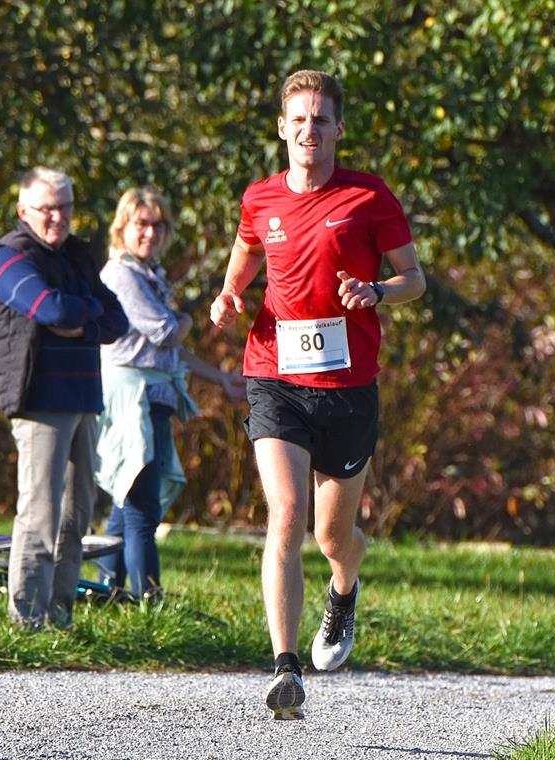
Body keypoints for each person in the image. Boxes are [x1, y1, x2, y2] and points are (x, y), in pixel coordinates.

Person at [209, 69, 426, 720]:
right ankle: (285, 667)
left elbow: (414, 278)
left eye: (321, 119)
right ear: (282, 127)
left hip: (348, 385)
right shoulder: (260, 197)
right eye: (298, 119)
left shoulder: (369, 197)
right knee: (287, 513)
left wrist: (380, 291)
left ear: (338, 128)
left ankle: (345, 587)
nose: (309, 130)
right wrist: (229, 296)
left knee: (334, 537)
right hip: (273, 371)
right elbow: (246, 254)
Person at [0, 166, 129, 630]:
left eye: (65, 206)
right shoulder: (9, 257)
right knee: (41, 512)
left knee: (77, 513)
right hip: (40, 398)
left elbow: (118, 319)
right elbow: (49, 308)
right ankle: (26, 619)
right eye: (48, 208)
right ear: (25, 210)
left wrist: (79, 317)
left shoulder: (78, 257)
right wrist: (86, 312)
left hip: (83, 394)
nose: (58, 217)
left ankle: (60, 617)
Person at [94, 186, 246, 598]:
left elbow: (173, 349)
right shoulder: (121, 275)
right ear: (123, 226)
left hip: (154, 397)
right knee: (142, 505)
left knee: (128, 502)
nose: (151, 232)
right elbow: (164, 331)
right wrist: (183, 319)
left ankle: (104, 588)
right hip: (130, 400)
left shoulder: (150, 275)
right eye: (142, 223)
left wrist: (221, 379)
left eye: (159, 224)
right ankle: (149, 598)